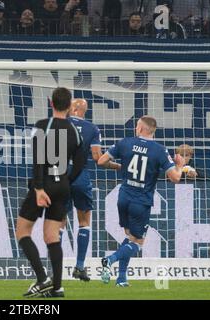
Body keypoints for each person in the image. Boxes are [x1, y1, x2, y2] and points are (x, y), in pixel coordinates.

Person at [97, 116, 185, 287]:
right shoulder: (159, 150)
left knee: (130, 237)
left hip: (123, 197)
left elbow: (101, 161)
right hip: (141, 201)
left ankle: (121, 278)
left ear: (142, 129)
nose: (135, 128)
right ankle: (109, 260)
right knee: (138, 242)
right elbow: (175, 178)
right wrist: (180, 165)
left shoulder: (124, 142)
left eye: (137, 126)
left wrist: (119, 166)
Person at [16, 87, 87, 298]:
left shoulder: (41, 126)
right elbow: (81, 163)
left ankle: (42, 278)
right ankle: (57, 288)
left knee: (22, 231)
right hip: (62, 185)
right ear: (70, 106)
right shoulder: (75, 131)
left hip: (43, 184)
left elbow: (38, 159)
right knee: (51, 237)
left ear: (51, 104)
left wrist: (38, 189)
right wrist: (66, 180)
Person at [63, 99, 121, 281]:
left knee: (57, 223)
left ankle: (53, 269)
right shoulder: (92, 129)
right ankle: (79, 267)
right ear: (83, 111)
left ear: (72, 108)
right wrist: (119, 166)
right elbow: (98, 158)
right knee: (84, 221)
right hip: (80, 176)